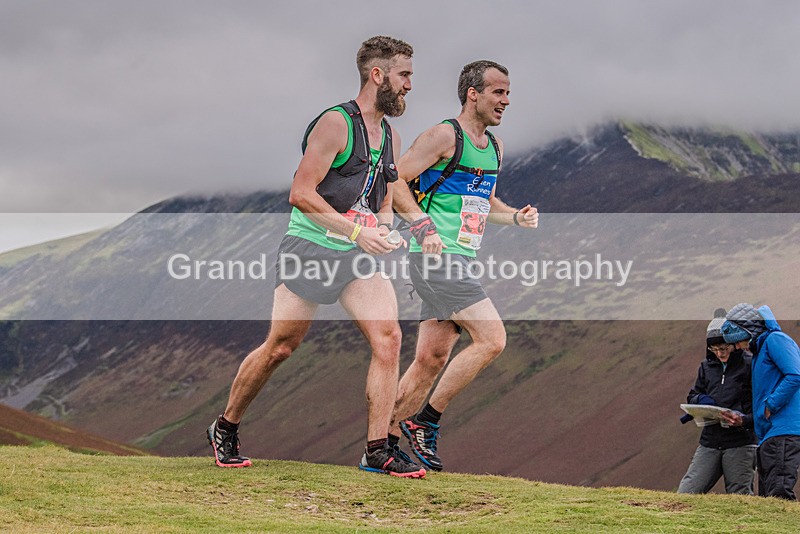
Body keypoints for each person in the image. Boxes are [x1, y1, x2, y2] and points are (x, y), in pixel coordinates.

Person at [207, 36, 426, 478]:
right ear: (377, 75)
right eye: (404, 76)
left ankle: (377, 450)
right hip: (309, 248)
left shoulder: (391, 135)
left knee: (389, 339)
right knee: (281, 347)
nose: (408, 86)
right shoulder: (334, 124)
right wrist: (356, 233)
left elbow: (382, 197)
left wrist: (383, 230)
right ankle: (225, 426)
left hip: (355, 255)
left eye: (411, 78)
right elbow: (300, 194)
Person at [388, 60, 539, 471]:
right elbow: (394, 179)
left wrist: (514, 217)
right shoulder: (442, 136)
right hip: (435, 258)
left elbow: (482, 200)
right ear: (473, 93)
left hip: (462, 259)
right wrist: (421, 226)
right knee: (492, 339)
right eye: (498, 92)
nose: (506, 101)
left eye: (508, 93)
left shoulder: (494, 148)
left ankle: (381, 443)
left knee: (431, 359)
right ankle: (424, 422)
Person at [721, 303, 800, 500]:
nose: (739, 347)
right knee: (769, 499)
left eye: (739, 340)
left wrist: (771, 405)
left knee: (779, 494)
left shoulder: (776, 340)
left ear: (750, 331)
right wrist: (747, 420)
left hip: (783, 431)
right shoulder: (760, 350)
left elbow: (795, 375)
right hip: (769, 434)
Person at [677, 308, 757, 495]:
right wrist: (702, 400)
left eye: (724, 348)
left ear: (734, 344)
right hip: (710, 441)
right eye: (715, 349)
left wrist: (744, 419)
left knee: (739, 498)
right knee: (687, 492)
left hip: (740, 442)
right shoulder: (706, 367)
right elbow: (693, 394)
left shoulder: (750, 365)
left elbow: (760, 406)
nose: (720, 354)